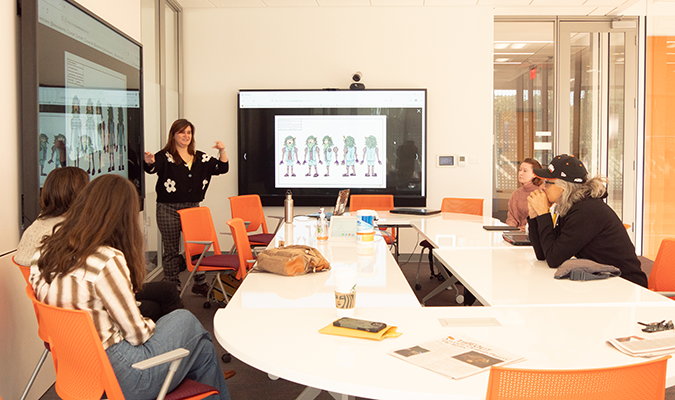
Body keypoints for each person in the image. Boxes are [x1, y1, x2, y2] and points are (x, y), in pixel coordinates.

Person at [31, 175, 232, 400]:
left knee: (203, 351)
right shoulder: (106, 259)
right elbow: (137, 335)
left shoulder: (44, 253)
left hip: (78, 370)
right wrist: (148, 324)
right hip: (123, 378)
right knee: (186, 320)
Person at [17, 167, 182, 322]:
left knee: (167, 290)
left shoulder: (38, 224)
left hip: (59, 313)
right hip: (86, 307)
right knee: (159, 304)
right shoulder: (68, 230)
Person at [527, 154, 648, 287]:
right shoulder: (571, 206)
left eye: (547, 183)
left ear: (563, 187)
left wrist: (544, 214)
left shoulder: (585, 212)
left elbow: (553, 259)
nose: (542, 188)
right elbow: (543, 253)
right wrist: (534, 216)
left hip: (625, 285)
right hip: (604, 280)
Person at [144, 119, 229, 294]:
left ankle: (200, 282)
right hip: (168, 209)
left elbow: (222, 167)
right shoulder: (164, 156)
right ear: (173, 135)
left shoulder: (200, 157)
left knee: (197, 247)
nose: (186, 136)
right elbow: (152, 168)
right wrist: (149, 161)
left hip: (193, 208)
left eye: (189, 132)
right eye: (182, 132)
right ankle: (172, 288)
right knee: (171, 250)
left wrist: (222, 150)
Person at [506, 158, 543, 231]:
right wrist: (512, 229)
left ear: (534, 174)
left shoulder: (540, 194)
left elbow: (538, 221)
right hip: (515, 232)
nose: (521, 173)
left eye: (525, 171)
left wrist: (522, 229)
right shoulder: (516, 193)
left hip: (532, 234)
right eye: (520, 170)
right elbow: (511, 217)